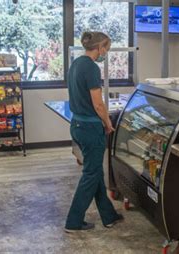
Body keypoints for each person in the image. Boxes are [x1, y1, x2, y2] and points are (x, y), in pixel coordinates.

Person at [64, 31, 124, 233]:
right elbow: (98, 103)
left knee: (95, 170)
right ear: (99, 47)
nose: (106, 51)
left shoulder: (76, 64)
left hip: (77, 125)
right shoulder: (91, 68)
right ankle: (73, 221)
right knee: (91, 174)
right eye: (106, 47)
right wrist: (107, 122)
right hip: (91, 128)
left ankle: (109, 216)